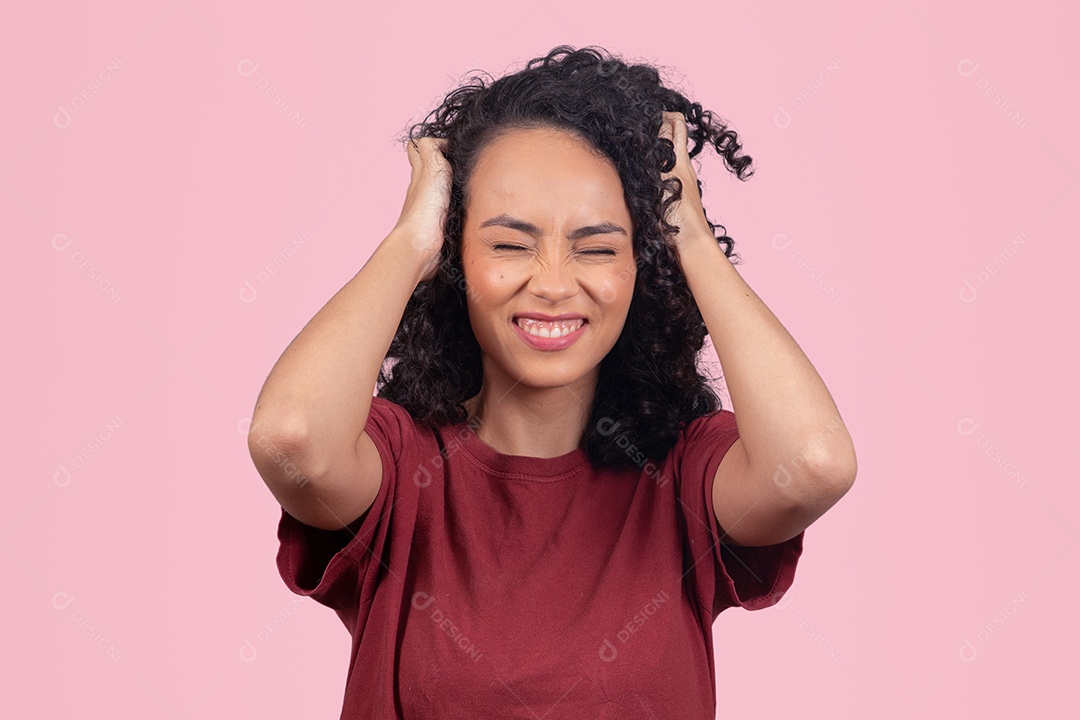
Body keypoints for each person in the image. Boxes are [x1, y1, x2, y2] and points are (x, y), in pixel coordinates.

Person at [247, 44, 856, 719]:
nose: (555, 284)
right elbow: (292, 441)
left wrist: (688, 234)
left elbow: (812, 465)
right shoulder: (400, 467)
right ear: (456, 256)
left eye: (597, 248)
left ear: (641, 267)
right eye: (509, 244)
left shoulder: (684, 477)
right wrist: (409, 242)